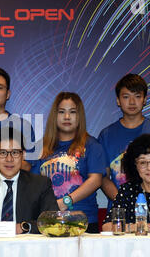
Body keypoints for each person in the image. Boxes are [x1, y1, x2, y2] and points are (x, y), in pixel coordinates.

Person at [31, 92, 106, 233]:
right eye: (61, 112)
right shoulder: (40, 147)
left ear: (80, 116)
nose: (67, 117)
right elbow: (33, 184)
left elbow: (96, 180)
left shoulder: (92, 145)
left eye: (72, 112)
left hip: (83, 221)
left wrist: (66, 202)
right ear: (55, 116)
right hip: (49, 221)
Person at [98, 73, 150, 211]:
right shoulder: (106, 135)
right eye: (126, 97)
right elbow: (103, 177)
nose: (132, 102)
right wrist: (123, 200)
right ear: (118, 101)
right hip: (120, 208)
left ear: (144, 100)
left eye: (137, 96)